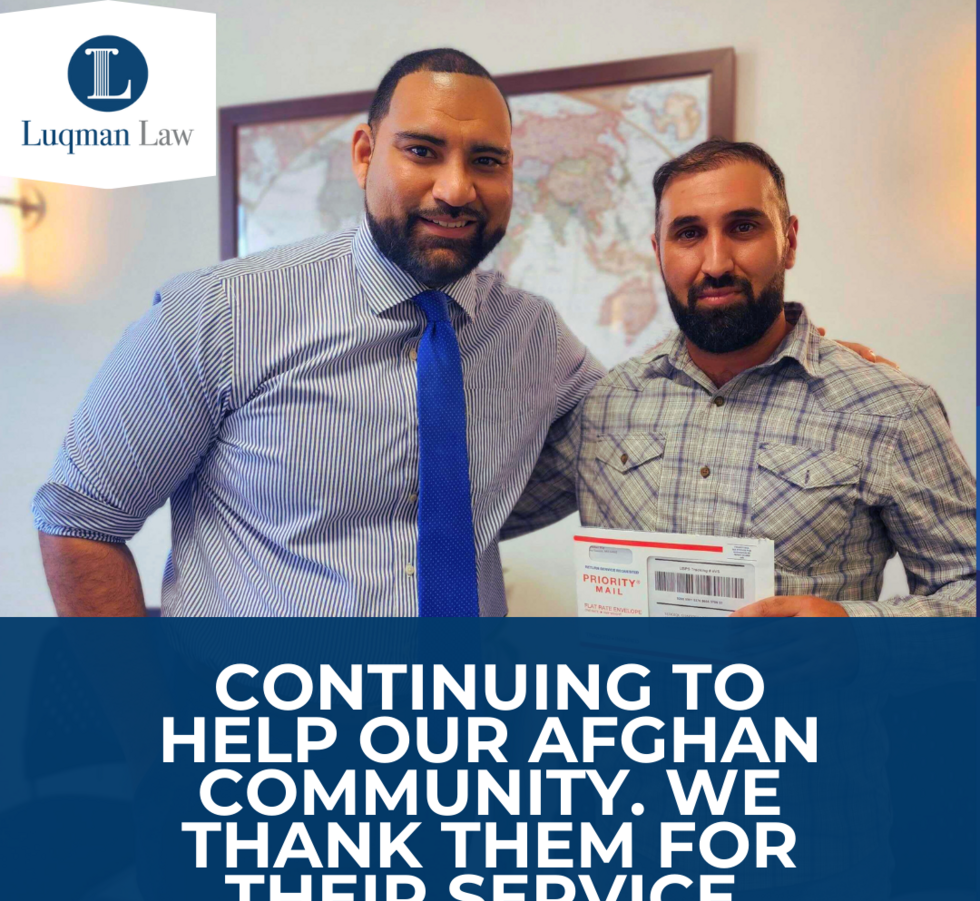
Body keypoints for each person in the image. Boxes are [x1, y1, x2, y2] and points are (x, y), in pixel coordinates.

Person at [33, 51, 887, 618]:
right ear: (365, 154)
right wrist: (150, 734)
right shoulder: (219, 313)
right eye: (422, 151)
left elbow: (658, 412)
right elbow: (79, 518)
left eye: (487, 161)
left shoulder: (531, 337)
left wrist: (800, 354)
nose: (456, 188)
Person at [504, 138, 976, 616]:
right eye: (688, 233)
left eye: (743, 227)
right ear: (658, 251)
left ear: (789, 241)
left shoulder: (891, 410)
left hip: (798, 694)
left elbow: (967, 588)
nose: (715, 264)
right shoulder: (605, 404)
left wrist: (856, 630)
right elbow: (475, 512)